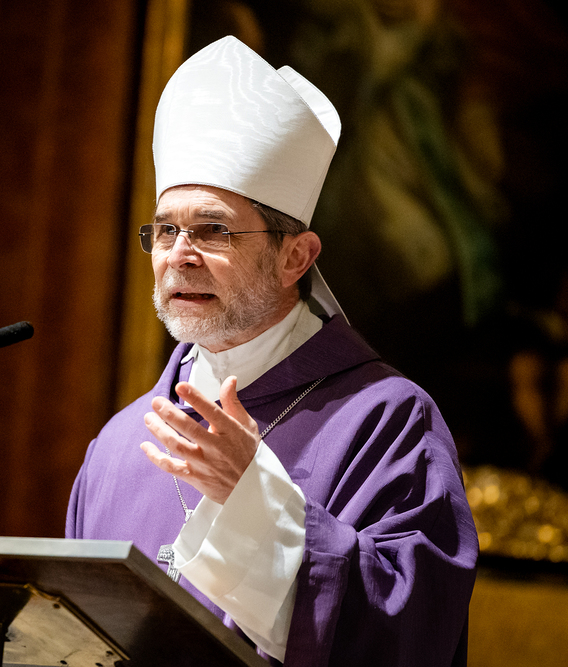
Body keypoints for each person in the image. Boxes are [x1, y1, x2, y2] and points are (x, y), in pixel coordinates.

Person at [66, 36, 477, 666]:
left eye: (213, 230)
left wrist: (257, 506)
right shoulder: (117, 448)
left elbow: (410, 634)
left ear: (296, 257)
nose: (179, 255)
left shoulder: (389, 423)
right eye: (166, 230)